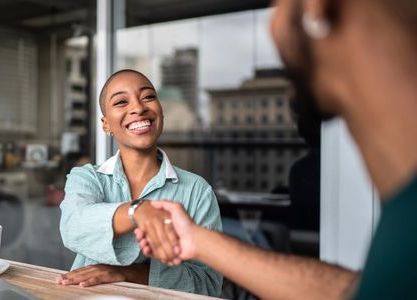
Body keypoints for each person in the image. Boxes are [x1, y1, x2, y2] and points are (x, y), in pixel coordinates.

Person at [135, 0, 417, 299]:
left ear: (315, 7)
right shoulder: (403, 231)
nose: (272, 26)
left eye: (278, 3)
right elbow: (353, 292)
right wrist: (197, 241)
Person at [57, 69, 223, 296]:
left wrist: (131, 273)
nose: (138, 107)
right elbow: (73, 227)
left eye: (148, 97)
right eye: (121, 101)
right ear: (106, 125)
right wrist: (138, 212)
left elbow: (207, 286)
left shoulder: (197, 191)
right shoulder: (87, 177)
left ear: (160, 112)